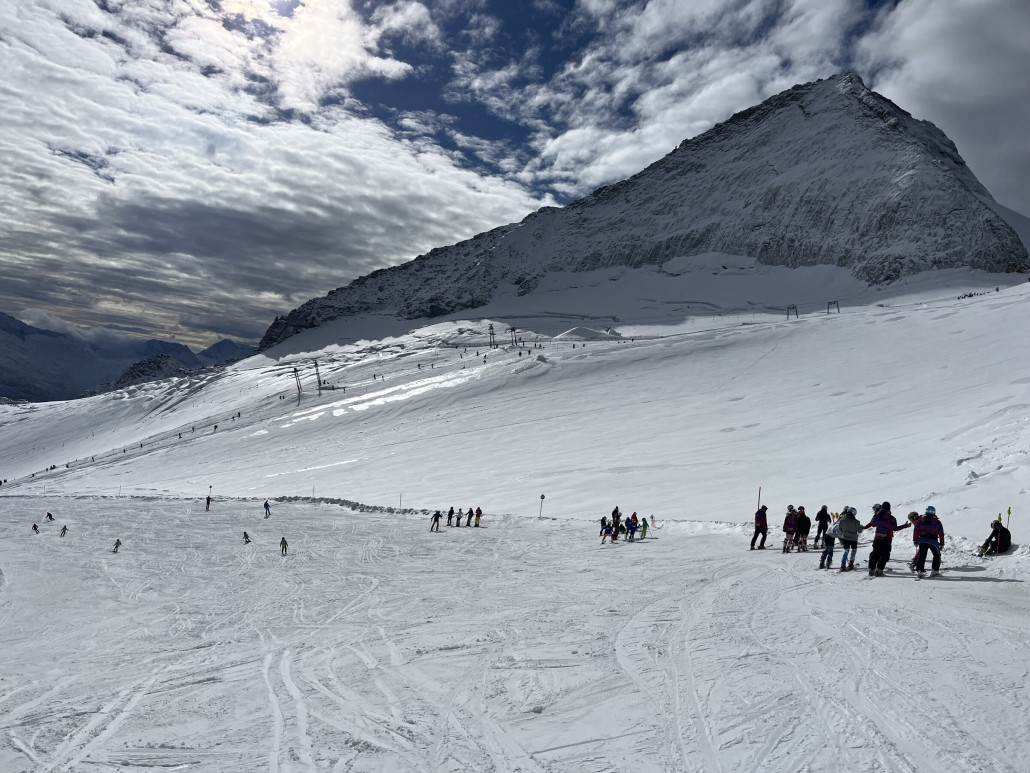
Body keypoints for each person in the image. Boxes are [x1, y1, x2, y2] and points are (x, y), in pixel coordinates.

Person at [862, 501, 910, 576]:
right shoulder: (892, 518)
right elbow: (895, 528)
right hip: (886, 539)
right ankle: (880, 569)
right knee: (885, 554)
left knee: (875, 553)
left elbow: (873, 524)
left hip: (877, 538)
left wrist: (864, 527)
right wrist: (905, 526)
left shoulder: (876, 516)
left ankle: (871, 569)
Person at [913, 506, 945, 576]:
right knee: (937, 555)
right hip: (933, 541)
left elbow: (916, 530)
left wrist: (915, 540)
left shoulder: (921, 520)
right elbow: (941, 533)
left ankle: (920, 570)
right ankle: (935, 570)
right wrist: (942, 544)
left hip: (922, 540)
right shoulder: (937, 522)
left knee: (922, 555)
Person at [836, 507, 861, 571]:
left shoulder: (842, 520)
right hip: (854, 538)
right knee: (853, 550)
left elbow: (840, 529)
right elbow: (859, 530)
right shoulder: (856, 522)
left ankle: (843, 564)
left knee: (846, 551)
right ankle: (851, 563)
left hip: (845, 538)